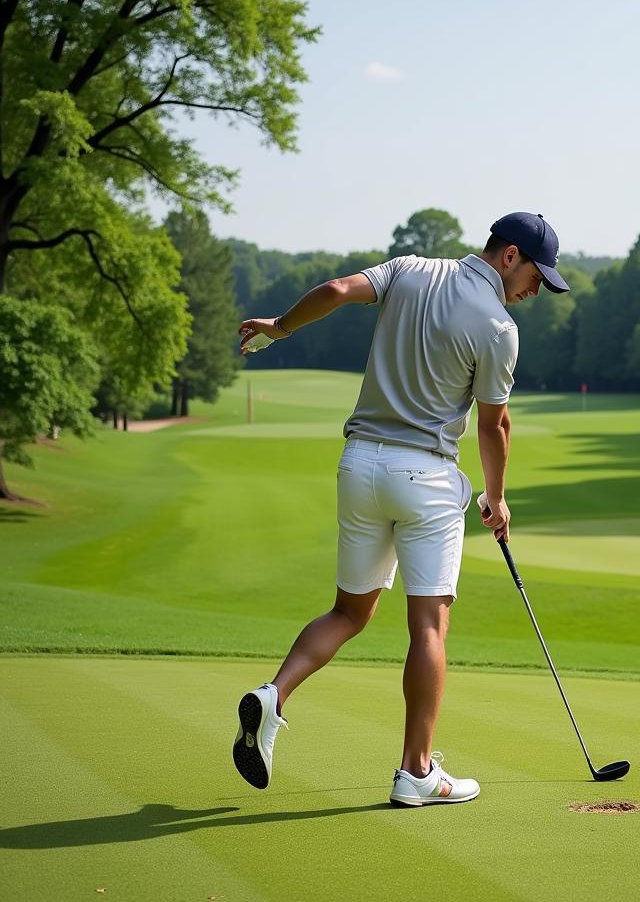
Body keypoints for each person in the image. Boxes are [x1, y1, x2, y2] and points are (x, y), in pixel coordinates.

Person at [232, 211, 570, 807]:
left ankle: (273, 696)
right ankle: (416, 772)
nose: (536, 291)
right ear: (510, 255)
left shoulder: (410, 269)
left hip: (359, 465)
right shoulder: (498, 328)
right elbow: (494, 425)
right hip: (427, 477)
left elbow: (336, 292)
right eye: (537, 277)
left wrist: (280, 327)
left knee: (348, 612)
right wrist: (495, 499)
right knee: (429, 626)